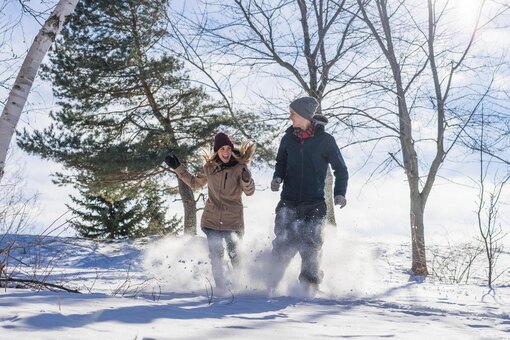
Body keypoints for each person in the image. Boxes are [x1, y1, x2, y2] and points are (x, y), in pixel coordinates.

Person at [269, 96, 348, 295]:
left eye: (292, 114)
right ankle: (268, 284)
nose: (290, 118)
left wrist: (340, 193)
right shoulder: (287, 139)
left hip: (314, 203)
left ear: (304, 116)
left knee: (311, 245)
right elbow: (281, 163)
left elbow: (341, 169)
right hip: (288, 201)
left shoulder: (326, 141)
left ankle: (309, 288)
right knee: (282, 243)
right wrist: (277, 177)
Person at [165, 132, 256, 289]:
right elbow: (194, 183)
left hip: (233, 222)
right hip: (211, 220)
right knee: (216, 256)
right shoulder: (209, 168)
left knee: (235, 256)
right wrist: (177, 167)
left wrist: (247, 180)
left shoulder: (240, 168)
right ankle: (220, 288)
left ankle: (240, 287)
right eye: (222, 149)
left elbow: (249, 192)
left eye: (228, 148)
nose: (226, 152)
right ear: (216, 151)